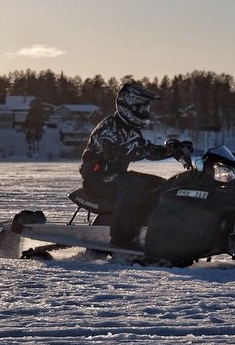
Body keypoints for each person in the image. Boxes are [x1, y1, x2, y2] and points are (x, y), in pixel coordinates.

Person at [80, 83, 193, 249]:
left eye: (145, 109)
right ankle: (121, 240)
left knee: (161, 185)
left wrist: (171, 150)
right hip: (98, 178)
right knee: (131, 188)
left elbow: (146, 149)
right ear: (127, 106)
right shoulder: (107, 127)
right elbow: (112, 151)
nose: (144, 113)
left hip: (117, 176)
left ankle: (151, 228)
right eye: (140, 109)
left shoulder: (132, 130)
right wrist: (137, 150)